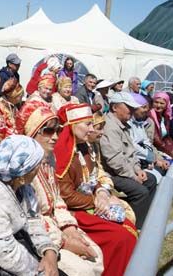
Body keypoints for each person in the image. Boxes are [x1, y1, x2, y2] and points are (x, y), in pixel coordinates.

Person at [17, 101, 105, 276]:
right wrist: (63, 241)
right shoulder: (22, 166)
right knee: (82, 270)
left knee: (97, 256)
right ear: (33, 133)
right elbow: (28, 217)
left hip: (58, 223)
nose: (56, 137)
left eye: (57, 130)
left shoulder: (50, 159)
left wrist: (70, 229)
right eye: (48, 131)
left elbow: (57, 200)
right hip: (38, 235)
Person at [54, 103, 137, 275]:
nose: (92, 129)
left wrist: (101, 192)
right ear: (72, 125)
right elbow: (66, 196)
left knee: (128, 226)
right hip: (73, 212)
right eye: (88, 124)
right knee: (121, 237)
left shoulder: (85, 147)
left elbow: (93, 177)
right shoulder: (62, 153)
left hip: (90, 204)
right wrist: (96, 200)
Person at [0, 135, 63, 276]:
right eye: (36, 165)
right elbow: (5, 253)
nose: (39, 168)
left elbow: (33, 220)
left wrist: (49, 251)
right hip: (0, 264)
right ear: (24, 170)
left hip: (22, 247)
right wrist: (40, 271)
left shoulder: (22, 184)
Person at [99, 92, 157, 228]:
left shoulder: (122, 124)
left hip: (123, 170)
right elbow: (115, 160)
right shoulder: (110, 127)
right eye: (128, 107)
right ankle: (133, 227)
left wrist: (137, 170)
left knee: (151, 180)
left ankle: (144, 219)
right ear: (115, 108)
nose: (132, 110)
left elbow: (131, 153)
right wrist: (133, 176)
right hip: (111, 174)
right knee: (140, 192)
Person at [128, 93, 169, 180]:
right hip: (133, 161)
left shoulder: (140, 121)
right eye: (143, 107)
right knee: (151, 179)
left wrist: (158, 158)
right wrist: (154, 159)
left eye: (148, 108)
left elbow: (147, 143)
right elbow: (134, 146)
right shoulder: (129, 122)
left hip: (146, 157)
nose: (147, 110)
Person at [149, 92, 173, 158]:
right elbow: (155, 138)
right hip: (154, 149)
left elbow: (167, 136)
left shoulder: (165, 117)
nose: (158, 105)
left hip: (163, 147)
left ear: (166, 105)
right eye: (156, 102)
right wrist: (169, 151)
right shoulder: (150, 116)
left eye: (162, 103)